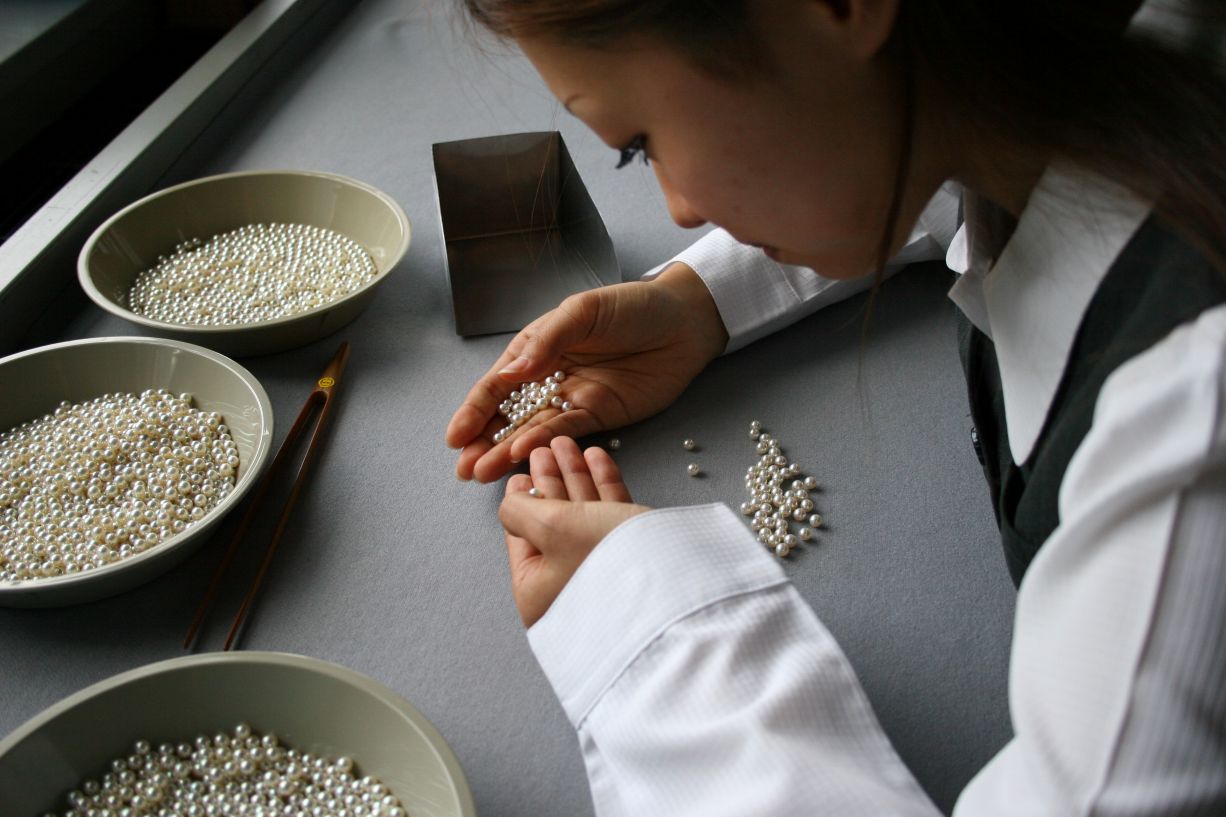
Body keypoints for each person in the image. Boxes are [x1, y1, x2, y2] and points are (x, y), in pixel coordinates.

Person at [444, 1, 1226, 814]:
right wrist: (700, 302)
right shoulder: (1097, 56)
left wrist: (655, 630)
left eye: (639, 144)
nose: (676, 208)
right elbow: (941, 151)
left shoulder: (1189, 434)